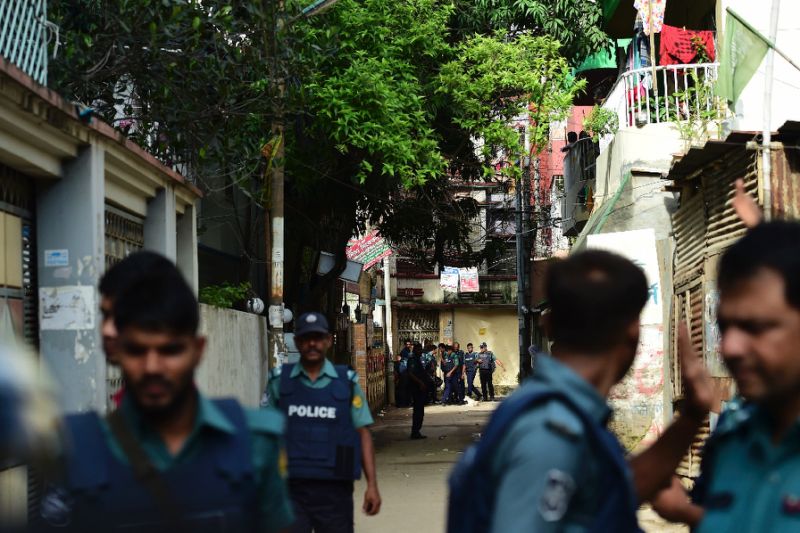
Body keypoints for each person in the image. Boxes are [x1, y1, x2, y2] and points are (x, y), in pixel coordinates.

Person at [448, 250, 711, 533]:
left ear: (548, 325)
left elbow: (601, 492)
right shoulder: (552, 432)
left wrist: (691, 417)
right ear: (633, 333)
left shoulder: (555, 411)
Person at [40, 269, 295, 532]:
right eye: (137, 350)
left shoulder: (256, 443)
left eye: (169, 350)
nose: (152, 367)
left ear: (198, 351)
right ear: (115, 352)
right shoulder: (74, 450)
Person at [652, 221, 800, 532]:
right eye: (725, 327)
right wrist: (690, 515)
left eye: (756, 327)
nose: (729, 348)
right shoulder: (731, 437)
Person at [264, 312, 381, 533]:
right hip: (290, 490)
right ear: (297, 342)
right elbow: (265, 436)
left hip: (335, 490)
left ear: (328, 340)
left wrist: (372, 485)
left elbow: (362, 433)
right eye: (306, 338)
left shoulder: (346, 383)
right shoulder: (279, 382)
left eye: (318, 338)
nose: (312, 344)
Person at [407, 343, 430, 439]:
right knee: (418, 411)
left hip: (420, 389)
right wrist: (420, 383)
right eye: (419, 350)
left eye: (421, 350)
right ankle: (415, 432)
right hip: (416, 389)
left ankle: (417, 431)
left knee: (420, 411)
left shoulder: (418, 360)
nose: (421, 352)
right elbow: (411, 374)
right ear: (415, 350)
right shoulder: (412, 360)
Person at [395, 340, 413, 407]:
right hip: (403, 373)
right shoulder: (404, 351)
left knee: (407, 388)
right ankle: (403, 403)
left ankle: (406, 403)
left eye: (409, 344)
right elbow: (411, 356)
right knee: (403, 388)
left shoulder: (408, 351)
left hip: (407, 372)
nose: (408, 345)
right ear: (405, 345)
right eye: (407, 344)